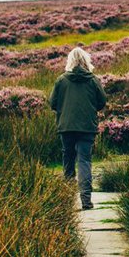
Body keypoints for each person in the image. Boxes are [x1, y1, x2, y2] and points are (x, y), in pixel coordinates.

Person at [50, 47, 106, 210]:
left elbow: (53, 103)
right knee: (84, 161)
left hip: (66, 127)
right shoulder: (93, 80)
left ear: (70, 61)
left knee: (68, 161)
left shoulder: (61, 80)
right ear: (86, 61)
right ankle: (86, 201)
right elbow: (102, 102)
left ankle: (67, 200)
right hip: (87, 127)